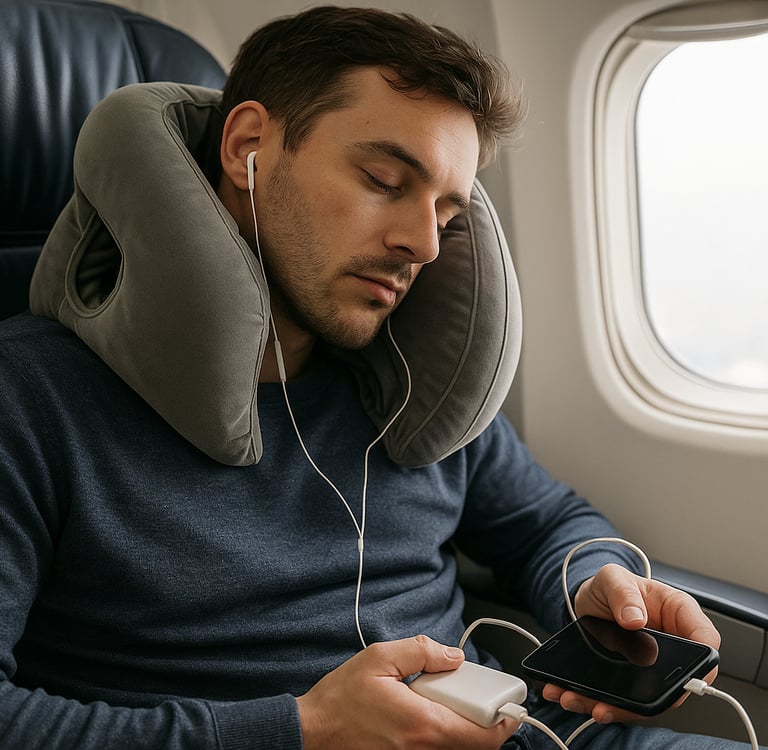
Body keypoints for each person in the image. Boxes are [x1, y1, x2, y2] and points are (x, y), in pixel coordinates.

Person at [0, 6, 757, 750]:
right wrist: (301, 730)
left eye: (446, 212)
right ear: (247, 147)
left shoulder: (412, 386)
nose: (423, 245)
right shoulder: (31, 396)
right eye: (384, 179)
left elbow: (548, 525)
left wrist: (595, 582)